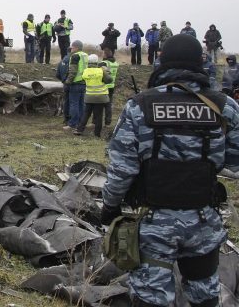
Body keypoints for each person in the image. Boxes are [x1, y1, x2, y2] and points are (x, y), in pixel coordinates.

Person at [101, 34, 239, 307]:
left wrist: (110, 206)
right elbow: (234, 162)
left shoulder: (139, 106)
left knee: (151, 298)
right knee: (204, 295)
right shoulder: (225, 107)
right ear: (200, 62)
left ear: (161, 61)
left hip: (154, 224)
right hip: (203, 220)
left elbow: (122, 168)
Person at [73, 54, 112, 137]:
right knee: (98, 115)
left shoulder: (86, 71)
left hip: (89, 96)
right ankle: (97, 134)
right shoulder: (101, 71)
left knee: (86, 113)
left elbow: (84, 79)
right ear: (97, 62)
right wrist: (106, 70)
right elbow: (109, 80)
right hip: (100, 97)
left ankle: (79, 130)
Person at [63, 40, 88, 130]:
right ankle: (81, 122)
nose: (71, 48)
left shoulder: (75, 56)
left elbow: (73, 71)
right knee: (81, 104)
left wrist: (67, 82)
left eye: (72, 47)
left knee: (74, 104)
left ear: (76, 47)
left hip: (75, 83)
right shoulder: (85, 55)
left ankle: (72, 124)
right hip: (84, 82)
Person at [100, 47, 119, 127]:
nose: (102, 54)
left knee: (99, 105)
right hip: (112, 86)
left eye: (103, 53)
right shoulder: (115, 63)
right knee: (108, 105)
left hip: (104, 86)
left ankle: (96, 122)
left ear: (105, 54)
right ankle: (108, 122)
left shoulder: (104, 63)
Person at [56, 52, 71, 126]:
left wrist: (63, 80)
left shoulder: (61, 62)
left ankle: (66, 119)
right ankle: (73, 120)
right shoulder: (73, 61)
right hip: (73, 84)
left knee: (65, 102)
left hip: (65, 84)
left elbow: (57, 75)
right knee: (73, 102)